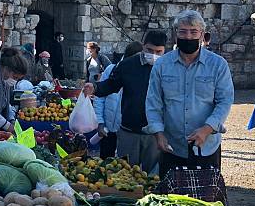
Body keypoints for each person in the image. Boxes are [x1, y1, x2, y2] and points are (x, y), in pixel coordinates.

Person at [144, 10, 234, 178]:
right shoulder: (162, 65)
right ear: (175, 34)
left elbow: (225, 101)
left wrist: (207, 129)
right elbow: (153, 103)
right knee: (170, 199)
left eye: (193, 32)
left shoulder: (218, 65)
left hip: (206, 147)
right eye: (183, 32)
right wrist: (158, 133)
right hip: (171, 147)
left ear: (202, 35)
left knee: (205, 199)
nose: (188, 37)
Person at [83, 31, 166, 172]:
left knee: (154, 178)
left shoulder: (168, 67)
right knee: (125, 175)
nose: (154, 55)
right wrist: (95, 87)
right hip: (129, 131)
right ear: (143, 46)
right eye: (149, 50)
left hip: (155, 134)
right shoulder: (128, 65)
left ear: (164, 51)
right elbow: (111, 85)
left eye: (159, 52)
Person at [92, 41, 144, 159]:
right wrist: (100, 122)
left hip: (127, 130)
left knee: (124, 165)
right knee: (105, 162)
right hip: (108, 128)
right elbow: (100, 97)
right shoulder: (111, 70)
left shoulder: (142, 75)